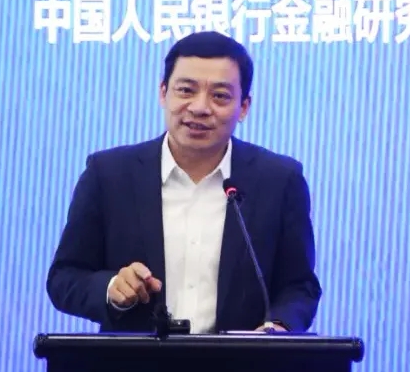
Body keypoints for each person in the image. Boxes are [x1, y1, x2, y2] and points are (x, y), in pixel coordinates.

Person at [46, 31, 322, 333]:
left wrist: (278, 327)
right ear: (163, 93)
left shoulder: (279, 180)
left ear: (244, 107)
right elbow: (65, 278)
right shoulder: (109, 174)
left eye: (220, 95)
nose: (200, 107)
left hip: (241, 358)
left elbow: (299, 286)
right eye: (186, 90)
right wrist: (112, 288)